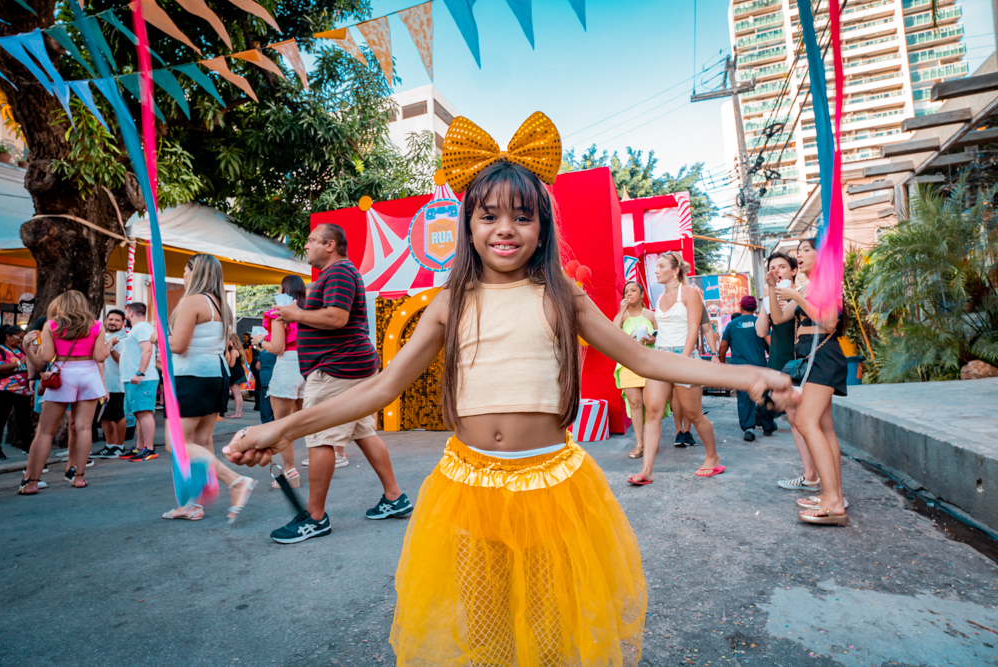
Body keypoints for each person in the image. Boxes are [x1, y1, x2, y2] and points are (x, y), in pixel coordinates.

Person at [223, 135, 794, 664]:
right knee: (486, 633)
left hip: (552, 488)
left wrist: (742, 374)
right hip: (468, 488)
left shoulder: (563, 295)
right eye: (489, 215)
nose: (506, 229)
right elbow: (379, 387)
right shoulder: (449, 302)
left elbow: (644, 360)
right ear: (468, 225)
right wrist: (280, 429)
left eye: (522, 217)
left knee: (548, 632)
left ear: (542, 228)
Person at [251, 223, 412, 543]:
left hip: (337, 368)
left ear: (330, 245)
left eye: (312, 240)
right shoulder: (336, 274)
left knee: (321, 437)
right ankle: (394, 497)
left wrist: (295, 314)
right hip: (348, 366)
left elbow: (337, 317)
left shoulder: (338, 272)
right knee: (363, 431)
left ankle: (315, 518)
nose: (306, 245)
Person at [162, 254, 257, 522]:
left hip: (192, 375)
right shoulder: (220, 304)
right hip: (214, 375)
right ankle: (193, 504)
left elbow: (178, 345)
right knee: (201, 443)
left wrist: (159, 336)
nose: (183, 274)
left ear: (196, 271)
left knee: (177, 444)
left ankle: (236, 481)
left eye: (185, 269)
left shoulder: (192, 301)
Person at [769, 237, 849, 526]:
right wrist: (772, 288)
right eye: (798, 250)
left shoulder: (828, 285)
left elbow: (828, 322)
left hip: (824, 357)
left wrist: (797, 296)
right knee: (824, 428)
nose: (799, 255)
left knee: (804, 422)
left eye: (805, 249)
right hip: (812, 358)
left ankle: (833, 501)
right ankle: (834, 495)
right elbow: (778, 317)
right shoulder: (806, 288)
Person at [631, 251, 724, 484]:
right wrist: (651, 340)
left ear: (675, 270)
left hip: (685, 357)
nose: (656, 270)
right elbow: (664, 330)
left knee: (693, 413)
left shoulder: (690, 293)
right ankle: (646, 470)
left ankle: (712, 457)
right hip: (660, 356)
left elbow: (694, 328)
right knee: (653, 413)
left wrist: (682, 360)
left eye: (661, 266)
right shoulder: (660, 298)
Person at [19, 290, 109, 493]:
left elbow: (44, 359)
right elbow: (99, 357)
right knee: (84, 428)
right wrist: (107, 348)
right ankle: (79, 477)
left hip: (63, 375)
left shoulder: (50, 326)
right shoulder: (96, 325)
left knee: (45, 431)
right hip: (88, 375)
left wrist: (27, 349)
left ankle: (32, 482)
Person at [755, 251, 819, 493]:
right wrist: (767, 299)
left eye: (782, 266)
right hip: (779, 360)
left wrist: (787, 298)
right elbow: (761, 331)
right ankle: (810, 473)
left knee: (805, 418)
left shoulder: (801, 293)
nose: (777, 271)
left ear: (793, 271)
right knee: (793, 418)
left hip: (799, 360)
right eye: (772, 267)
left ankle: (813, 474)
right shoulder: (771, 297)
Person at [253, 275, 308, 488]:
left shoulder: (280, 313)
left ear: (283, 290)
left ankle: (291, 473)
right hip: (308, 367)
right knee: (309, 421)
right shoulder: (309, 312)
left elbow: (277, 348)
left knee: (282, 425)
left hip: (287, 367)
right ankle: (321, 464)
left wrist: (260, 342)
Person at [718, 296, 772, 441]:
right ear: (755, 308)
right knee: (762, 395)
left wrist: (722, 363)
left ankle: (749, 429)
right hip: (760, 366)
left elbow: (723, 346)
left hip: (740, 368)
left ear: (740, 307)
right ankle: (768, 426)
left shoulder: (732, 325)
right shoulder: (760, 322)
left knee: (744, 397)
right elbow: (769, 344)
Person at [612, 280, 656, 459]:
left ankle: (651, 442)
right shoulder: (623, 316)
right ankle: (640, 444)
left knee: (651, 405)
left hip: (649, 364)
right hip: (628, 364)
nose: (629, 294)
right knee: (635, 404)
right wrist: (621, 310)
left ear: (642, 294)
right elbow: (612, 333)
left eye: (633, 290)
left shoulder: (651, 315)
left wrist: (653, 339)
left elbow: (661, 336)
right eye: (626, 292)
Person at [671, 304, 722, 448]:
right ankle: (679, 431)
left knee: (690, 394)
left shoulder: (697, 304)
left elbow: (707, 328)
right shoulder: (669, 300)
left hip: (691, 353)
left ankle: (686, 431)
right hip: (672, 352)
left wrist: (714, 354)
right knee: (676, 393)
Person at [118, 302, 158, 462]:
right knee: (139, 414)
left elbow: (147, 350)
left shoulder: (142, 327)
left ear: (131, 313)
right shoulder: (138, 329)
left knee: (144, 413)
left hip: (143, 378)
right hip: (135, 379)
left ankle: (150, 449)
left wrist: (140, 373)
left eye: (126, 314)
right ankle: (140, 447)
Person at [94, 310, 127, 458]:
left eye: (117, 320)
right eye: (111, 319)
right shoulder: (101, 337)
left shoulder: (123, 339)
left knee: (117, 416)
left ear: (123, 323)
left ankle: (119, 447)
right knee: (105, 417)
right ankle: (109, 445)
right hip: (100, 385)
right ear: (105, 321)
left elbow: (123, 362)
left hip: (116, 385)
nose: (113, 322)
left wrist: (110, 347)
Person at [0, 324, 33, 459]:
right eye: (19, 337)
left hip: (23, 391)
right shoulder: (0, 350)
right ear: (8, 336)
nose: (21, 340)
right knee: (0, 419)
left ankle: (27, 446)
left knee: (24, 420)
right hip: (5, 390)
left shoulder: (22, 350)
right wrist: (19, 363)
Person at [226, 334, 246, 419]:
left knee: (236, 394)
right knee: (238, 394)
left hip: (235, 374)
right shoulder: (239, 350)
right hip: (239, 372)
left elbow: (231, 364)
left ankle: (237, 413)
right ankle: (238, 412)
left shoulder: (233, 351)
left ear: (231, 341)